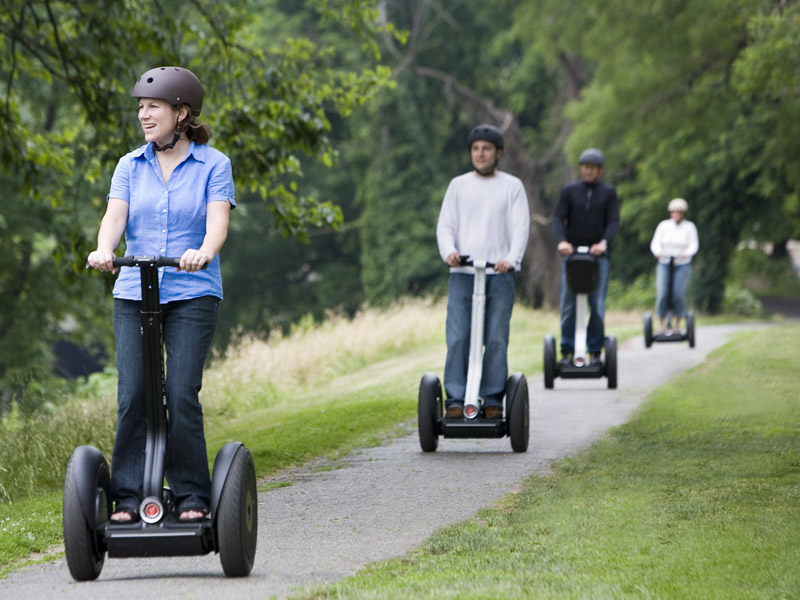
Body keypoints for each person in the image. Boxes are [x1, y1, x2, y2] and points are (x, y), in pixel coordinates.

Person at [87, 66, 235, 523]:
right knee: (134, 395)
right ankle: (129, 499)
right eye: (141, 107)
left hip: (193, 293)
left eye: (153, 107)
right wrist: (104, 249)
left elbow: (217, 223)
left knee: (181, 392)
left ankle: (191, 496)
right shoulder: (129, 165)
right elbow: (115, 217)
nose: (144, 115)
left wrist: (203, 252)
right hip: (134, 292)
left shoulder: (214, 164)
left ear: (181, 113)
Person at [436, 124, 530, 419]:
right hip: (463, 274)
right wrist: (449, 252)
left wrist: (511, 259)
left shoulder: (512, 186)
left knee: (496, 339)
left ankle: (491, 401)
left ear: (498, 153)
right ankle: (455, 400)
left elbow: (521, 226)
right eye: (476, 149)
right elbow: (445, 226)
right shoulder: (458, 185)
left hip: (499, 274)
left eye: (486, 149)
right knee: (458, 338)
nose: (480, 154)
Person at [553, 148, 619, 367]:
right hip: (572, 256)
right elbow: (558, 218)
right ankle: (567, 351)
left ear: (600, 170)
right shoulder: (570, 190)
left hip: (598, 257)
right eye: (585, 167)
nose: (588, 171)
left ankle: (595, 352)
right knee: (568, 304)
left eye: (592, 168)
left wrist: (603, 243)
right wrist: (562, 242)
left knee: (597, 305)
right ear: (581, 168)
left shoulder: (608, 193)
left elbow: (613, 222)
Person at [649, 198, 699, 333]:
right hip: (665, 262)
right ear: (671, 213)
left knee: (678, 294)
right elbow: (655, 243)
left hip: (682, 264)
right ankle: (661, 325)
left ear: (683, 214)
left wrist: (686, 254)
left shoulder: (689, 227)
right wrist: (658, 252)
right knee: (662, 294)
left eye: (679, 212)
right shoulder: (664, 226)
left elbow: (694, 245)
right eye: (674, 212)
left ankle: (677, 325)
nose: (677, 214)